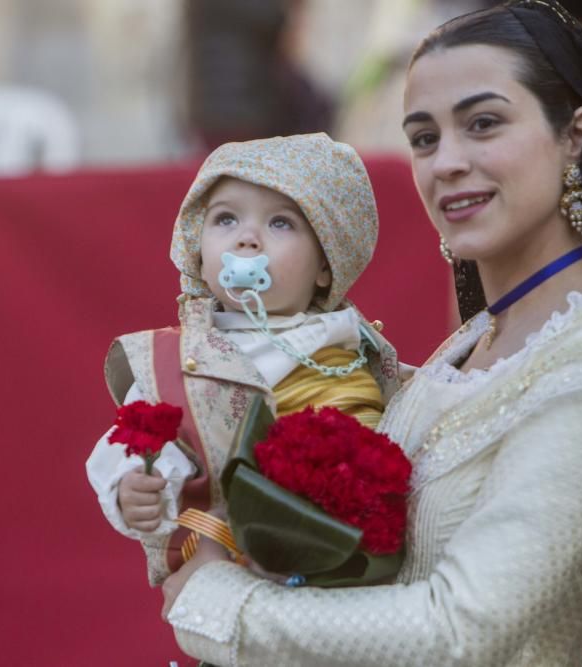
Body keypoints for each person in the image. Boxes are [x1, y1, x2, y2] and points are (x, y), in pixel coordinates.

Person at [159, 2, 582, 665]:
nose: (447, 161)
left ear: (575, 137)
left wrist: (221, 604)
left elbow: (461, 630)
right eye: (424, 137)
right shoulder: (477, 338)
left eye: (483, 124)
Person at [85, 133, 401, 587]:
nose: (247, 239)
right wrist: (132, 486)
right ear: (197, 247)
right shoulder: (177, 360)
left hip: (345, 574)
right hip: (223, 575)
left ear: (326, 265)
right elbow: (132, 439)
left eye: (281, 223)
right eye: (226, 219)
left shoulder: (352, 348)